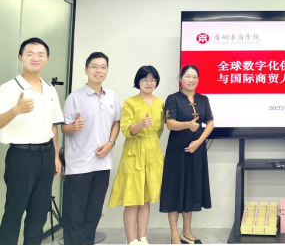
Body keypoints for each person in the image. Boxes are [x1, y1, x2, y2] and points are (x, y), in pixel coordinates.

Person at [0, 38, 63, 245]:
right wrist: (16, 110)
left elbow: (53, 126)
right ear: (20, 58)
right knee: (14, 211)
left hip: (46, 155)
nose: (35, 58)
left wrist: (55, 156)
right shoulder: (8, 88)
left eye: (40, 54)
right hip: (21, 156)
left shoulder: (50, 89)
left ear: (47, 59)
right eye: (30, 54)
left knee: (39, 213)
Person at [61, 52, 121, 245]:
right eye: (94, 66)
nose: (98, 70)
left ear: (107, 71)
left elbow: (116, 122)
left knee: (93, 215)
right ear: (86, 70)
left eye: (103, 67)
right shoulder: (75, 97)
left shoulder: (111, 96)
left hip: (102, 165)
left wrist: (111, 143)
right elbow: (64, 128)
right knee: (74, 216)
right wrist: (74, 127)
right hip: (79, 165)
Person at [109, 66, 165, 245]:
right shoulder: (130, 102)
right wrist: (141, 125)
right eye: (145, 79)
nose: (149, 83)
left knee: (145, 200)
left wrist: (150, 141)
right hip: (133, 153)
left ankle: (142, 237)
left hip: (152, 152)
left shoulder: (160, 103)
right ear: (138, 82)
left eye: (152, 79)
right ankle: (131, 240)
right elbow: (126, 130)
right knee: (132, 200)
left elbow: (159, 130)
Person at [160, 65, 214, 245]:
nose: (191, 80)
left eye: (195, 77)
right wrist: (188, 125)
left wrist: (199, 142)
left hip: (197, 150)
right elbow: (170, 123)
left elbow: (210, 122)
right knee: (175, 189)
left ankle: (187, 231)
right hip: (177, 151)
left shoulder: (203, 99)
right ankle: (174, 234)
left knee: (191, 189)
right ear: (181, 78)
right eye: (188, 76)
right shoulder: (173, 98)